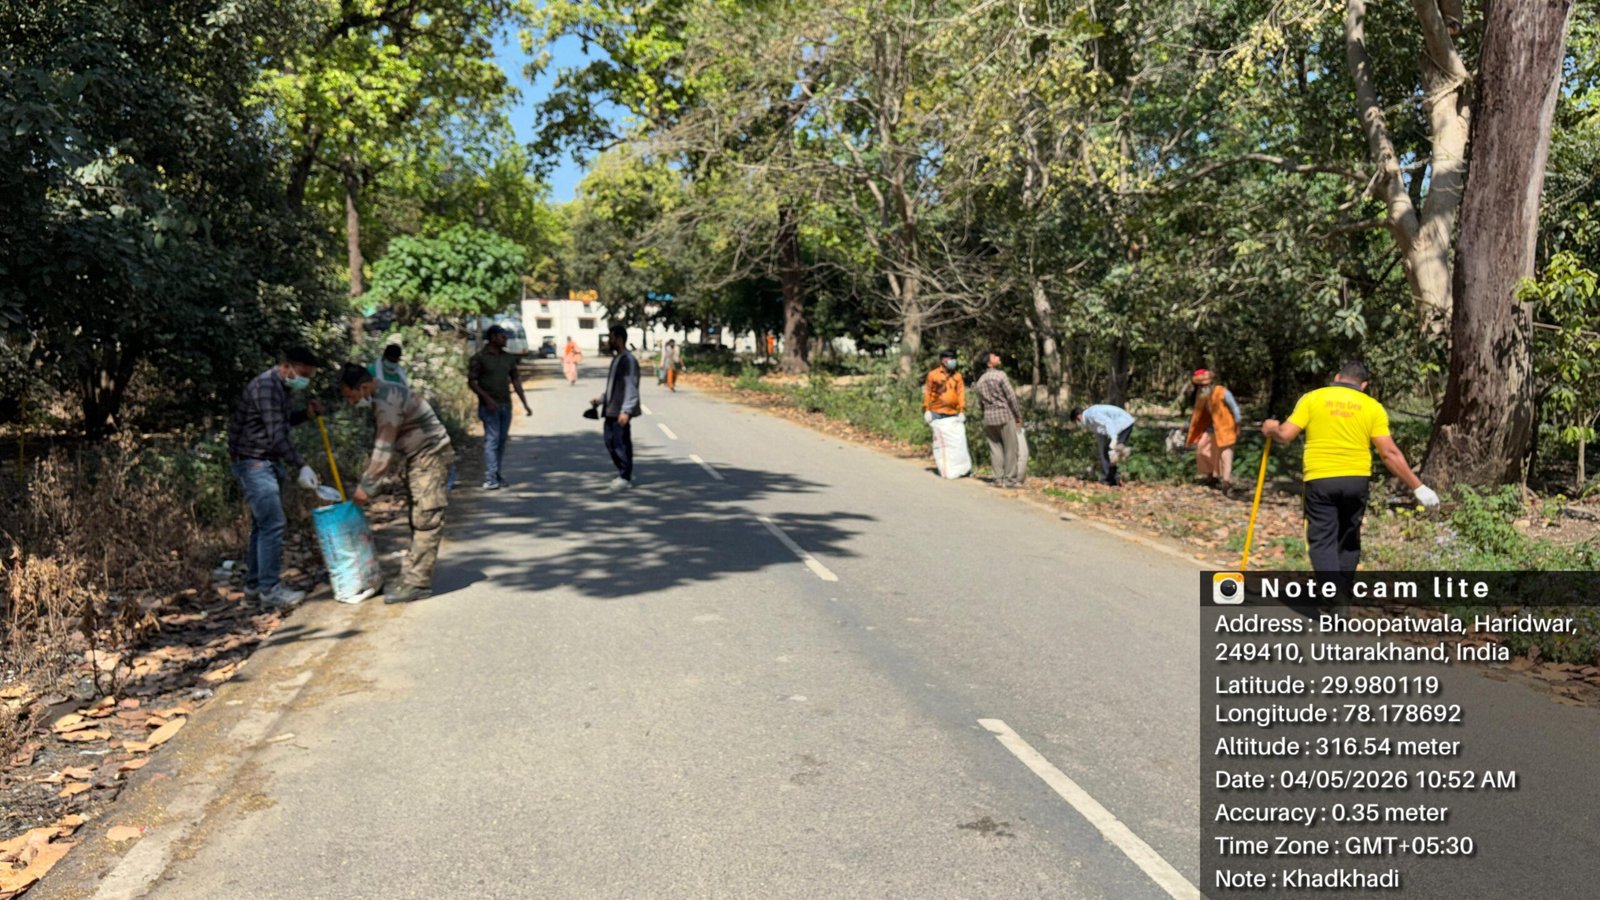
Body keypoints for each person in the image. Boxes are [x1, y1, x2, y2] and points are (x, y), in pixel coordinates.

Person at [1262, 361, 1440, 573]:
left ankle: (1332, 590)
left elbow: (1285, 435)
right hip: (1356, 480)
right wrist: (1418, 487)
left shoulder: (1313, 398)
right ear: (1364, 385)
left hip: (1320, 479)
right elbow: (1389, 453)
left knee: (1322, 540)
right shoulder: (1372, 407)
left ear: (1337, 378)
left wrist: (1272, 429)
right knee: (1349, 538)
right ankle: (1342, 590)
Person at [338, 364, 454, 604]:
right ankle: (411, 575)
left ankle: (417, 583)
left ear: (364, 387)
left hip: (430, 456)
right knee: (417, 516)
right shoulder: (382, 393)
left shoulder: (386, 402)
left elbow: (383, 452)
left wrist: (365, 489)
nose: (351, 403)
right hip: (419, 457)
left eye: (351, 397)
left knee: (426, 518)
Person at [226, 347, 327, 608]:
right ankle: (270, 591)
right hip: (254, 463)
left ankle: (253, 588)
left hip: (267, 462)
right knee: (272, 524)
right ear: (286, 367)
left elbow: (280, 422)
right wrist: (301, 465)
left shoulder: (280, 388)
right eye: (303, 374)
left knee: (262, 526)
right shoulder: (266, 387)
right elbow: (276, 435)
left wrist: (305, 415)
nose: (304, 380)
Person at [468, 325, 531, 490]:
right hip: (489, 407)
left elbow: (516, 380)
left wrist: (525, 403)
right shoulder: (479, 358)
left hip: (505, 405)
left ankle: (496, 474)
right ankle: (490, 478)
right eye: (503, 336)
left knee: (501, 441)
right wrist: (487, 399)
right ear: (493, 337)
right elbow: (472, 382)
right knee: (492, 440)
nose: (506, 339)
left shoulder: (508, 358)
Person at [591, 324, 642, 490]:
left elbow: (631, 386)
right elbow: (613, 386)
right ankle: (624, 471)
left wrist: (626, 410)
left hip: (620, 410)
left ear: (619, 339)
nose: (609, 341)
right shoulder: (617, 359)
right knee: (610, 442)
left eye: (611, 338)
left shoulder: (628, 361)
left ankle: (625, 476)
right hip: (611, 409)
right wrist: (600, 400)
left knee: (621, 443)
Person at [975, 351, 1025, 487]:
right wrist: (1018, 415)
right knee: (1011, 449)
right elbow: (1011, 397)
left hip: (989, 419)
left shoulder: (980, 381)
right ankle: (1009, 480)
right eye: (995, 357)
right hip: (1004, 416)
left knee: (995, 449)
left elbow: (981, 403)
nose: (998, 357)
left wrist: (985, 414)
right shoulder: (1000, 375)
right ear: (989, 363)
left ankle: (997, 479)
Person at [1186, 368, 1241, 491]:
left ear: (1211, 383)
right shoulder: (1201, 397)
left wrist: (1238, 424)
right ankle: (1210, 476)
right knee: (1202, 450)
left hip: (1225, 429)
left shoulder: (1222, 392)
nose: (1203, 387)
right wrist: (1187, 425)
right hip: (1210, 429)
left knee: (1225, 455)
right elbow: (1196, 413)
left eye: (1205, 385)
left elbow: (1235, 408)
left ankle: (1226, 481)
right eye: (1201, 386)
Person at [1072, 403, 1136, 487]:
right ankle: (1111, 479)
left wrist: (1114, 438)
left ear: (1078, 417)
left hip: (1124, 423)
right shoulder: (1089, 419)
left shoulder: (1092, 414)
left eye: (1076, 422)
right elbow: (1101, 431)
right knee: (1106, 453)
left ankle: (1111, 479)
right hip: (1120, 425)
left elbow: (1107, 422)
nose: (1078, 424)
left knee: (1112, 453)